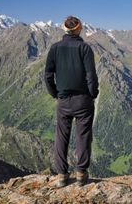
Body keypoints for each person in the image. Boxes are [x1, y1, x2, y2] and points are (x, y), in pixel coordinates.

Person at [44, 15, 99, 187]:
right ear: (79, 28)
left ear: (65, 29)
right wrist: (93, 94)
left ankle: (62, 175)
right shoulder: (84, 48)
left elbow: (47, 75)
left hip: (64, 101)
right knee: (83, 136)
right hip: (83, 100)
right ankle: (81, 174)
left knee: (61, 136)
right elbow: (91, 75)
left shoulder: (54, 48)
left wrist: (55, 94)